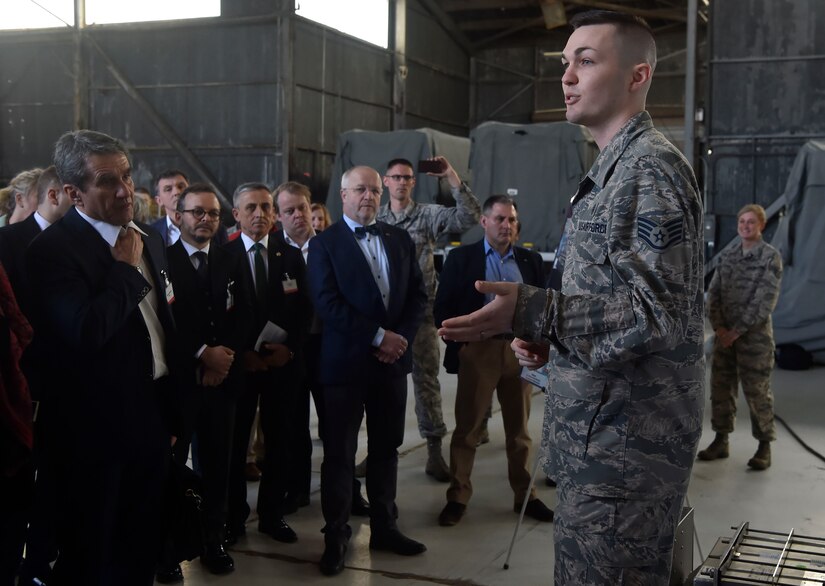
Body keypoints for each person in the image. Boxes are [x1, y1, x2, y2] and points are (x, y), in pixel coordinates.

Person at [438, 10, 704, 584]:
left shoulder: (648, 171)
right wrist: (554, 346)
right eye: (565, 64)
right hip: (602, 439)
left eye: (586, 60)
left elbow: (662, 316)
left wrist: (535, 309)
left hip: (626, 456)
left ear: (637, 76)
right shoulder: (614, 170)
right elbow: (620, 310)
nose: (567, 77)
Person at [25, 130, 180, 585]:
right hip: (93, 434)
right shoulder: (52, 251)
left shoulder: (148, 237)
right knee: (92, 553)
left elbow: (163, 326)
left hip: (152, 418)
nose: (126, 190)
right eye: (108, 182)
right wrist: (122, 271)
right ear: (73, 193)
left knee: (142, 546)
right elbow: (86, 330)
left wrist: (172, 413)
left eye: (128, 176)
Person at [307, 166, 427, 576]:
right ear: (343, 194)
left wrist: (401, 340)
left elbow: (417, 296)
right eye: (360, 189)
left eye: (375, 190)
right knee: (340, 454)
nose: (369, 196)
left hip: (391, 367)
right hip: (345, 367)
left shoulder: (399, 238)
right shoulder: (324, 244)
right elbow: (327, 304)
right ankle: (336, 535)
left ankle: (385, 526)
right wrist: (379, 337)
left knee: (386, 450)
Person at [433, 195, 553, 527]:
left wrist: (538, 345)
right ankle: (458, 495)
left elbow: (544, 308)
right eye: (500, 219)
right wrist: (466, 338)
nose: (507, 226)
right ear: (484, 221)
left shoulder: (529, 260)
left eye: (512, 220)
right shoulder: (461, 259)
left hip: (520, 351)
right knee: (468, 429)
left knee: (520, 432)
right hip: (480, 352)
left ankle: (525, 496)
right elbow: (442, 307)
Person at [159, 183, 254, 580]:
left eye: (212, 213)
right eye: (196, 212)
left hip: (223, 384)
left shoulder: (232, 260)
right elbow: (165, 323)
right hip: (180, 385)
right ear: (179, 216)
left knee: (219, 464)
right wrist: (202, 354)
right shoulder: (162, 260)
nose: (205, 219)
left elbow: (246, 314)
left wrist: (223, 360)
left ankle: (214, 539)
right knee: (171, 468)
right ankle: (165, 550)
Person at [375, 156, 481, 482]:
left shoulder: (426, 215)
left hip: (419, 317)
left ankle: (434, 452)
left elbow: (470, 217)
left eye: (407, 178)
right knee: (378, 388)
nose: (403, 182)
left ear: (413, 182)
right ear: (386, 181)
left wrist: (451, 175)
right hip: (383, 318)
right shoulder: (374, 218)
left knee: (426, 383)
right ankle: (378, 452)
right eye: (396, 177)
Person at [223, 182, 311, 546]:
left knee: (280, 441)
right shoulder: (222, 257)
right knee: (234, 443)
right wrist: (240, 353)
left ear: (274, 213)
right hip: (239, 368)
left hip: (280, 368)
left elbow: (305, 311)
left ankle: (272, 514)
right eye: (250, 208)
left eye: (265, 207)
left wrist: (290, 350)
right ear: (236, 214)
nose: (259, 214)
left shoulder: (290, 257)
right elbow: (216, 313)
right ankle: (233, 517)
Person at [0, 165, 71, 585]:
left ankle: (41, 561)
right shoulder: (8, 242)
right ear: (54, 194)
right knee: (19, 484)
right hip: (19, 387)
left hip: (67, 384)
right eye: (73, 192)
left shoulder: (82, 244)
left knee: (59, 477)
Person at [698, 204, 782, 470]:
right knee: (721, 390)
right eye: (742, 222)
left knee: (757, 393)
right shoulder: (728, 256)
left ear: (761, 226)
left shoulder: (769, 257)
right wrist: (720, 329)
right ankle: (721, 440)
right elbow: (714, 294)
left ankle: (764, 446)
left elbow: (765, 301)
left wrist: (736, 331)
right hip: (725, 339)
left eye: (751, 222)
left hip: (754, 340)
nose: (745, 226)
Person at [151, 169, 189, 246]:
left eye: (181, 187)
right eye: (168, 189)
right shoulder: (151, 233)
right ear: (159, 201)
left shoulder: (209, 225)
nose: (177, 192)